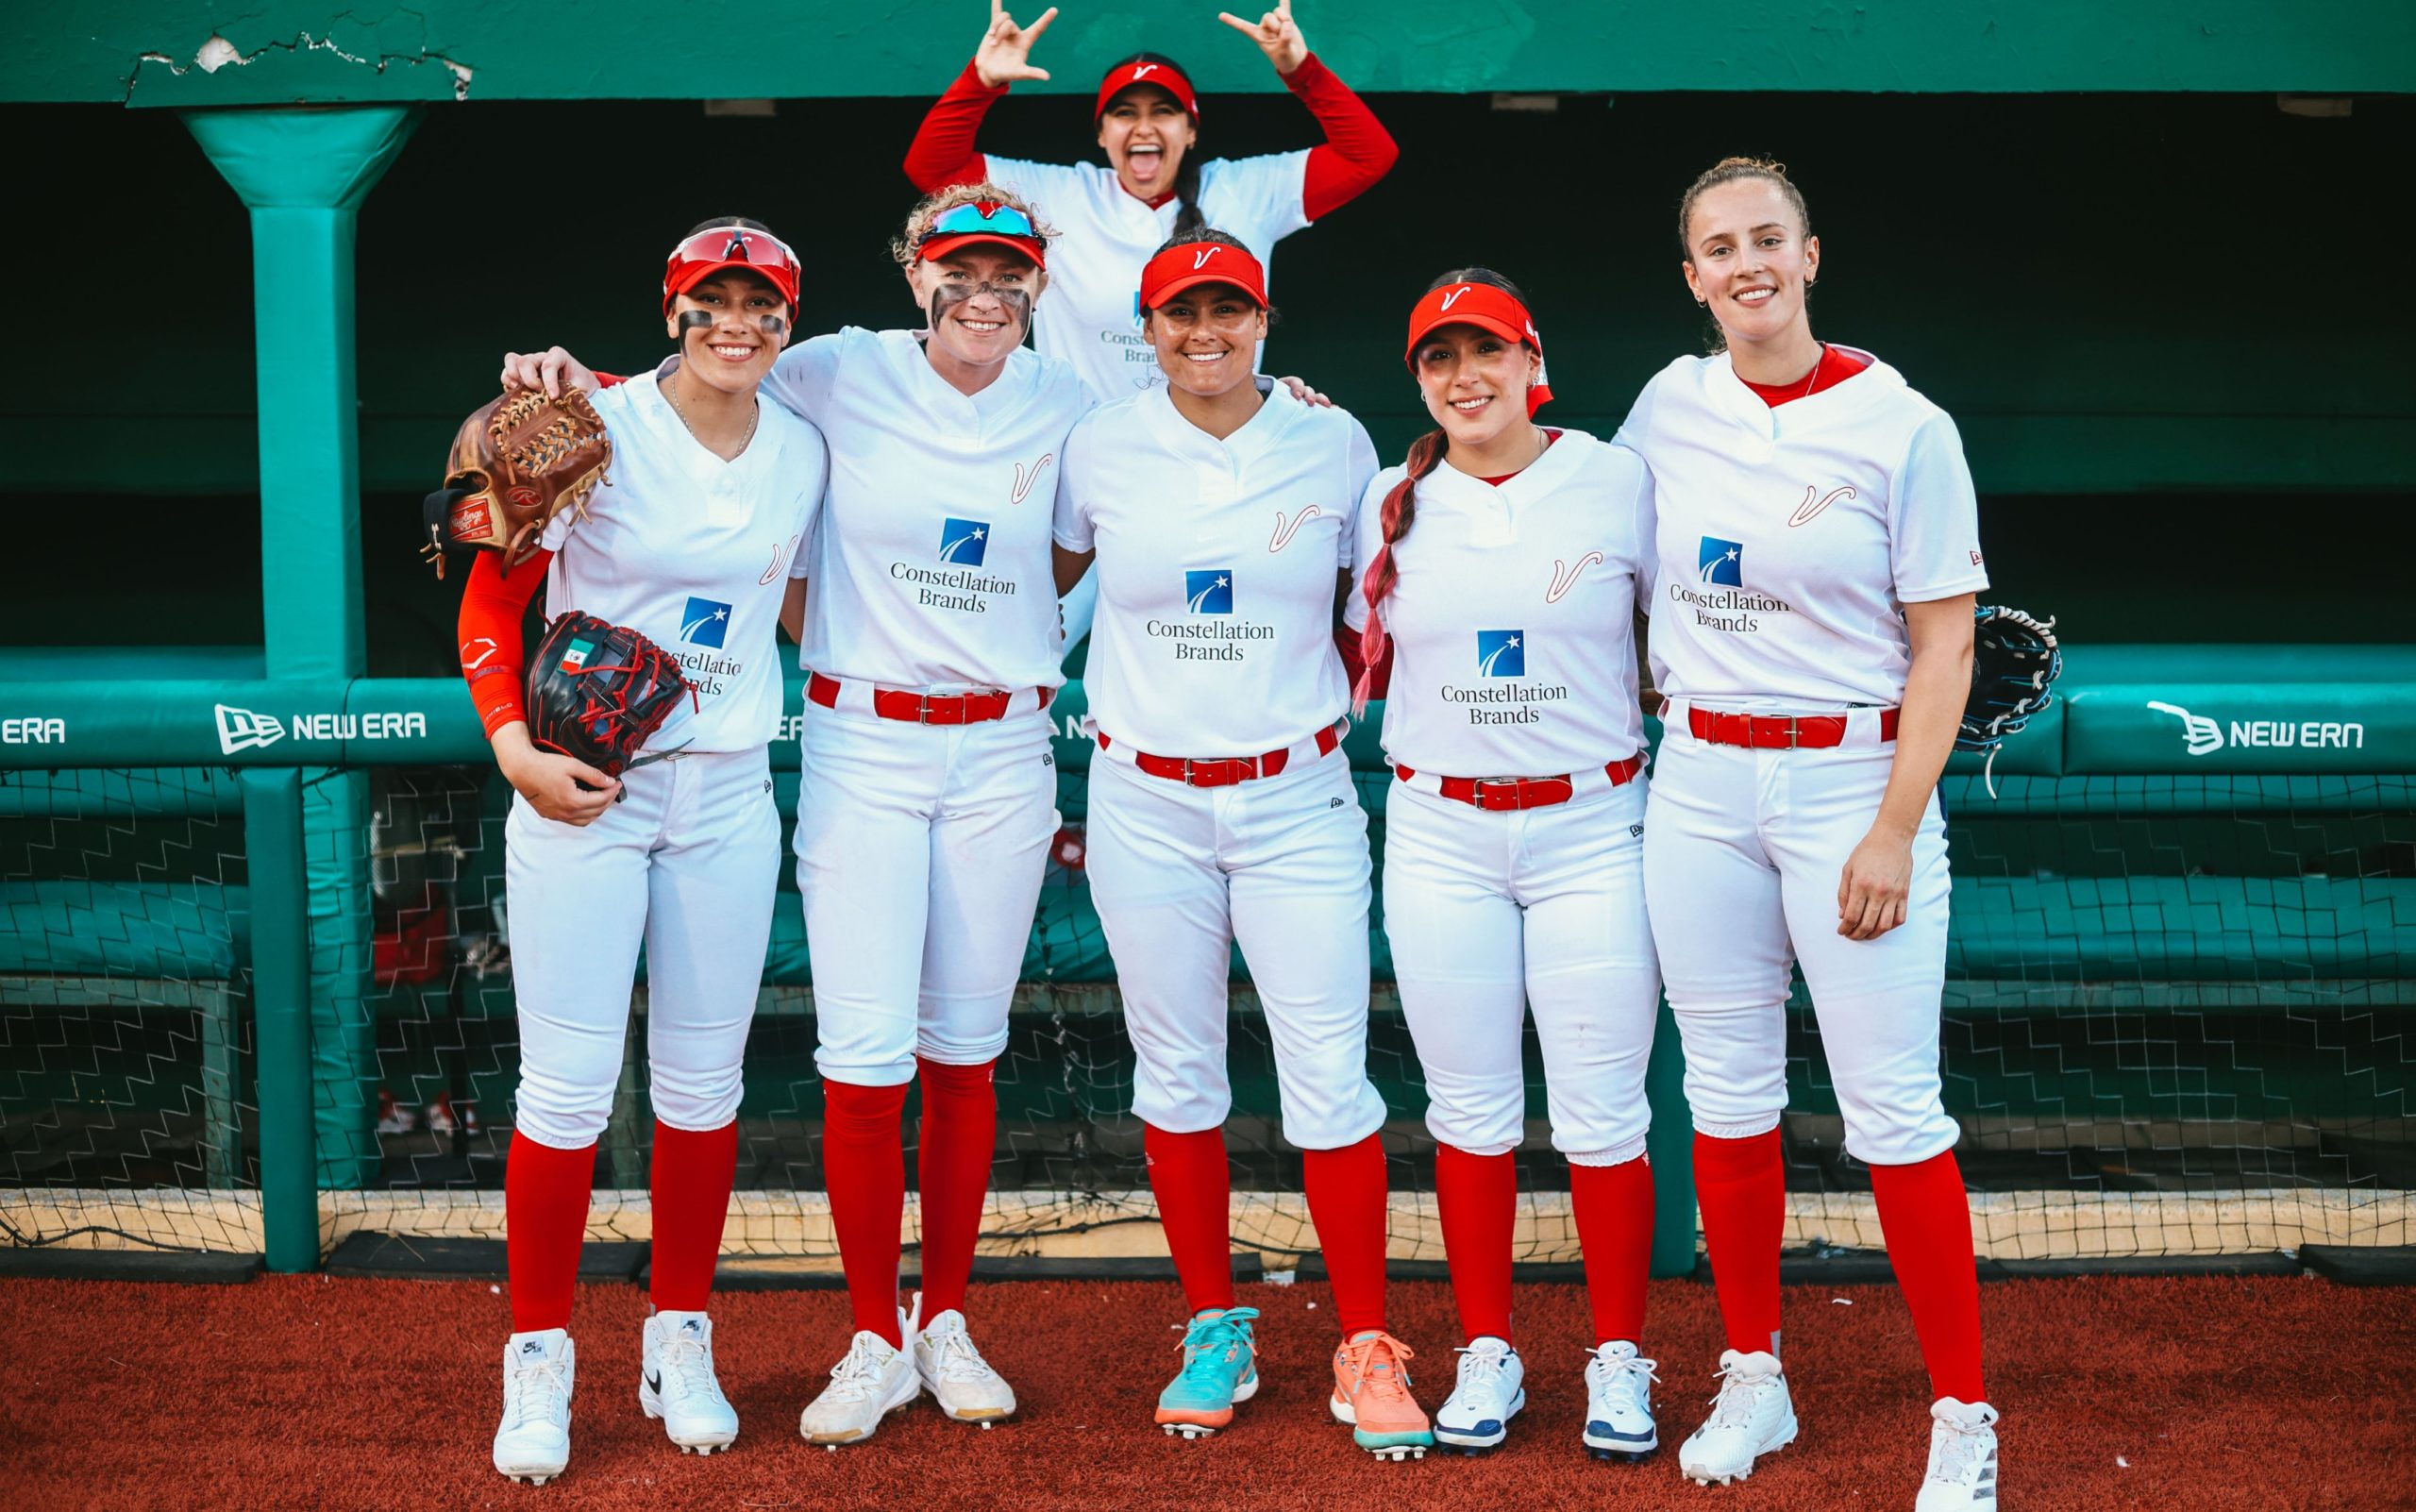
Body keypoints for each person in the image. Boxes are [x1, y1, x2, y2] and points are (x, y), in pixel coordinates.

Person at [501, 184, 1091, 1447]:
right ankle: (858, 1335)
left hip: (982, 746)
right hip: (838, 738)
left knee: (949, 1052)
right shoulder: (834, 372)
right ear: (914, 274)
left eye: (1010, 273)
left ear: (1041, 286)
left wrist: (1295, 398)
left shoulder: (1067, 397)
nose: (983, 293)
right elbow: (669, 398)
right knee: (837, 1061)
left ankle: (926, 1320)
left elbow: (1130, 495)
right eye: (958, 268)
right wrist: (568, 377)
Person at [1614, 157, 1998, 1508]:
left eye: (1766, 239)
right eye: (1720, 248)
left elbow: (1945, 647)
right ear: (1693, 277)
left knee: (1893, 1113)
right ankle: (1753, 1372)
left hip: (1850, 785)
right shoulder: (1667, 404)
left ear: (1811, 254)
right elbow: (1559, 504)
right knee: (1725, 1098)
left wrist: (1895, 826)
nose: (1747, 265)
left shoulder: (1906, 425)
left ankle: (1962, 1415)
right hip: (1701, 785)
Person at [1050, 231, 1428, 1459]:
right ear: (1147, 327)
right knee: (1177, 1078)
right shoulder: (1100, 443)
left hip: (1294, 794)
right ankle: (1215, 1324)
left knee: (1330, 1076)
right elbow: (1049, 576)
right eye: (1180, 312)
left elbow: (1372, 599)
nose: (1203, 331)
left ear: (1264, 320)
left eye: (1228, 309)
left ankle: (1365, 1340)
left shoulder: (1333, 440)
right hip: (1145, 796)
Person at [466, 218, 826, 1484]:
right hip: (588, 790)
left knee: (703, 1088)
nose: (737, 322)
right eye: (711, 300)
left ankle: (680, 1336)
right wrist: (511, 746)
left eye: (761, 304)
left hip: (726, 788)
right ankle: (538, 1354)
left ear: (788, 320)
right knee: (565, 1092)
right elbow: (492, 593)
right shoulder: (588, 423)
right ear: (673, 310)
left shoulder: (805, 444)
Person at [1342, 269, 1666, 1461]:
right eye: (1439, 358)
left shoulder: (1619, 479)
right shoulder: (1388, 496)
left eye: (1487, 351)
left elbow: (1676, 626)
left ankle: (1617, 1356)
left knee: (1603, 1115)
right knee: (1469, 1111)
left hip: (1591, 821)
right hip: (1442, 828)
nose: (1464, 376)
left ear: (1534, 362)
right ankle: (1488, 1346)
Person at [907, 0, 1399, 400]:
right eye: (1125, 113)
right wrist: (981, 81)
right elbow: (934, 171)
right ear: (1102, 134)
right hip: (1081, 440)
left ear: (1190, 131)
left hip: (1213, 435)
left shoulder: (1244, 188)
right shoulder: (1060, 193)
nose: (1143, 127)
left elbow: (1369, 156)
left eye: (1163, 111)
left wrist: (1302, 72)